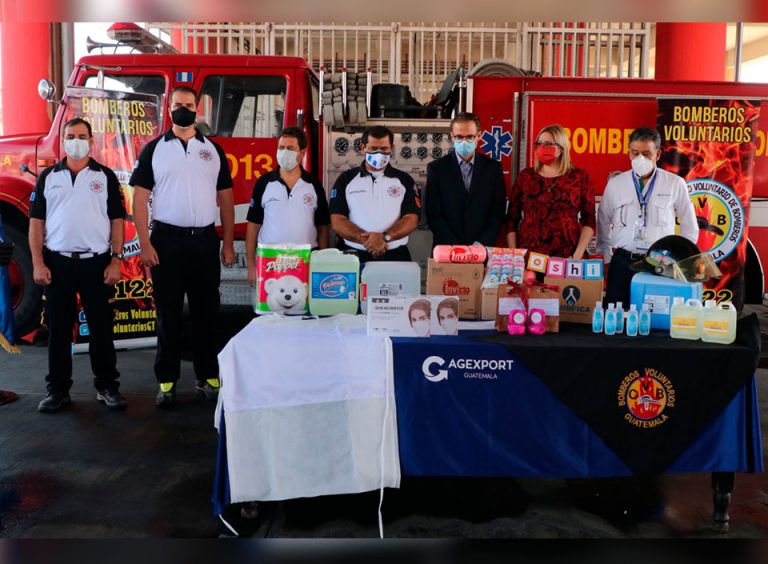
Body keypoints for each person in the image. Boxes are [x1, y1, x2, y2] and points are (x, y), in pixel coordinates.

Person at [130, 86, 236, 408]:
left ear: (197, 109)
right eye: (178, 105)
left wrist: (228, 243)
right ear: (169, 108)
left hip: (204, 241)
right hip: (166, 242)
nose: (184, 110)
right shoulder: (154, 149)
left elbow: (227, 199)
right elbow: (139, 198)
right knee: (169, 315)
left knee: (207, 313)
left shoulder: (212, 150)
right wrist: (145, 244)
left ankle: (208, 376)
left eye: (189, 105)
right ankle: (166, 381)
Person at [28, 118, 126, 413]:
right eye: (70, 136)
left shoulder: (105, 176)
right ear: (62, 140)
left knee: (100, 329)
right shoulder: (48, 177)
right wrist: (37, 262)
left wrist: (116, 259)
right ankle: (57, 391)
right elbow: (36, 222)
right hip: (57, 263)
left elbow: (117, 221)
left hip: (95, 263)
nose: (76, 141)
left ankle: (107, 387)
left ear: (91, 141)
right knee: (58, 330)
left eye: (82, 136)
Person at [597, 127, 698, 305]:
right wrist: (606, 259)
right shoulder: (616, 184)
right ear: (628, 153)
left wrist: (680, 260)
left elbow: (690, 225)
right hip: (622, 262)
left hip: (660, 264)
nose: (639, 159)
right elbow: (603, 222)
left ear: (657, 154)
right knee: (616, 316)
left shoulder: (675, 184)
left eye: (646, 153)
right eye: (634, 153)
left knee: (654, 319)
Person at [245, 127, 330, 287]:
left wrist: (323, 264)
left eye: (290, 148)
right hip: (270, 260)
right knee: (270, 307)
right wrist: (251, 266)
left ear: (302, 153)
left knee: (302, 307)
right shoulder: (264, 183)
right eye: (281, 148)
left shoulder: (313, 185)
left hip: (305, 260)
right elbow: (253, 226)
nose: (284, 152)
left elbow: (323, 228)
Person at [329, 125, 419, 263]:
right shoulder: (346, 180)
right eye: (373, 148)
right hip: (354, 256)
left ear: (392, 149)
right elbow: (337, 220)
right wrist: (367, 240)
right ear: (363, 147)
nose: (379, 153)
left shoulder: (404, 180)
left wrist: (385, 237)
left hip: (395, 256)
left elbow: (411, 219)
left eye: (384, 149)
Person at [506, 124, 596, 261]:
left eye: (548, 144)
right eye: (539, 144)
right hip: (529, 257)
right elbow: (511, 219)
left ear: (561, 148)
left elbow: (589, 220)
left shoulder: (579, 177)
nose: (542, 148)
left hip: (568, 256)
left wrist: (577, 255)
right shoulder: (526, 176)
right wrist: (515, 255)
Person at [426, 112, 506, 247]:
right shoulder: (437, 169)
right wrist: (455, 246)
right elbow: (433, 214)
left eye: (470, 137)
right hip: (447, 249)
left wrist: (480, 244)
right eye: (459, 137)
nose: (464, 141)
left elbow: (497, 212)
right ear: (452, 136)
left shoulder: (493, 169)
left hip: (481, 249)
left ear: (479, 136)